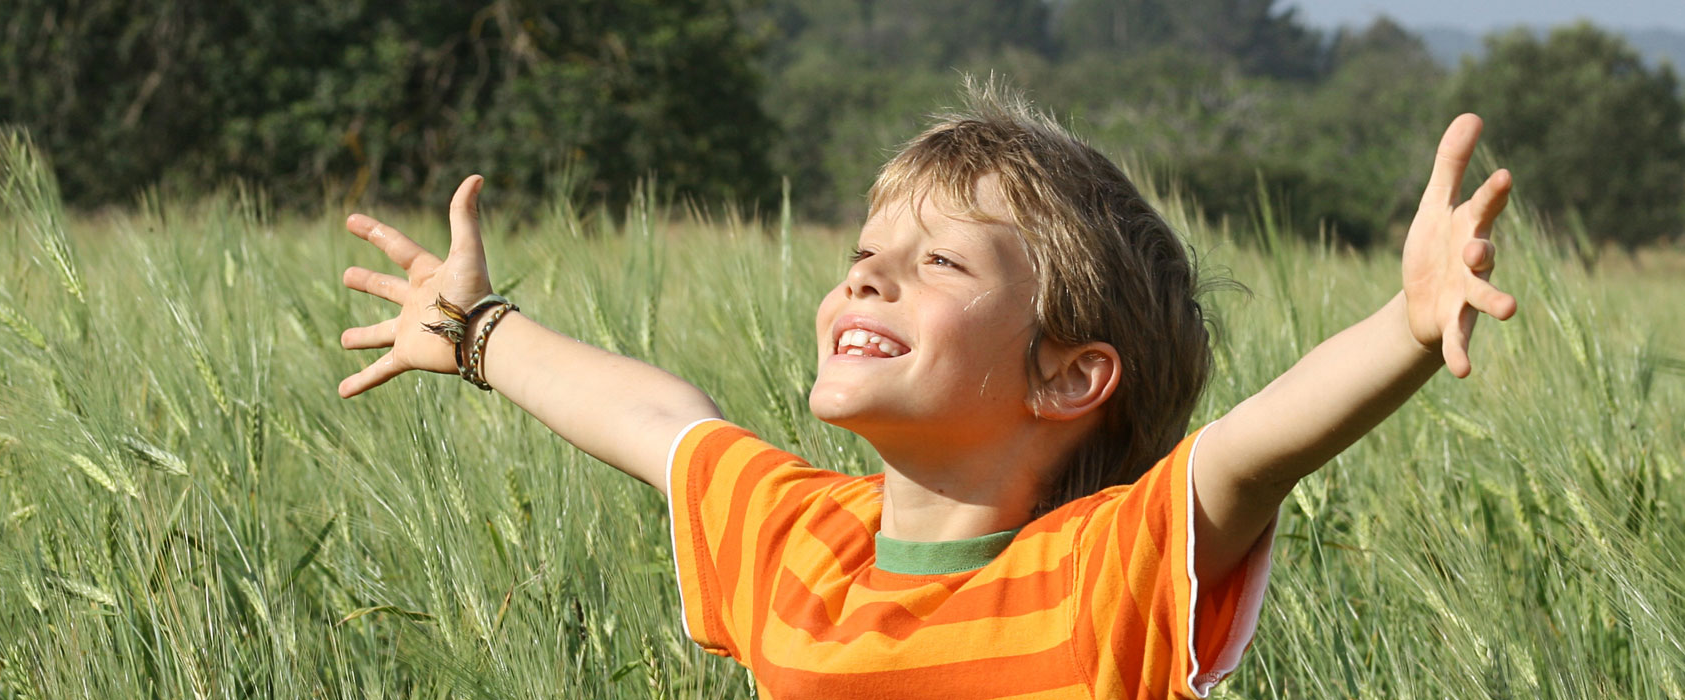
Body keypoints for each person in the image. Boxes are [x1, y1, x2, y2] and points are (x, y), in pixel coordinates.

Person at [332, 82, 1516, 699]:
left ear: (1069, 376)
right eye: (864, 254)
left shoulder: (1101, 575)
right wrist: (478, 334)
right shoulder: (800, 540)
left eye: (938, 262)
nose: (867, 275)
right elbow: (659, 423)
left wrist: (1406, 324)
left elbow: (1250, 452)